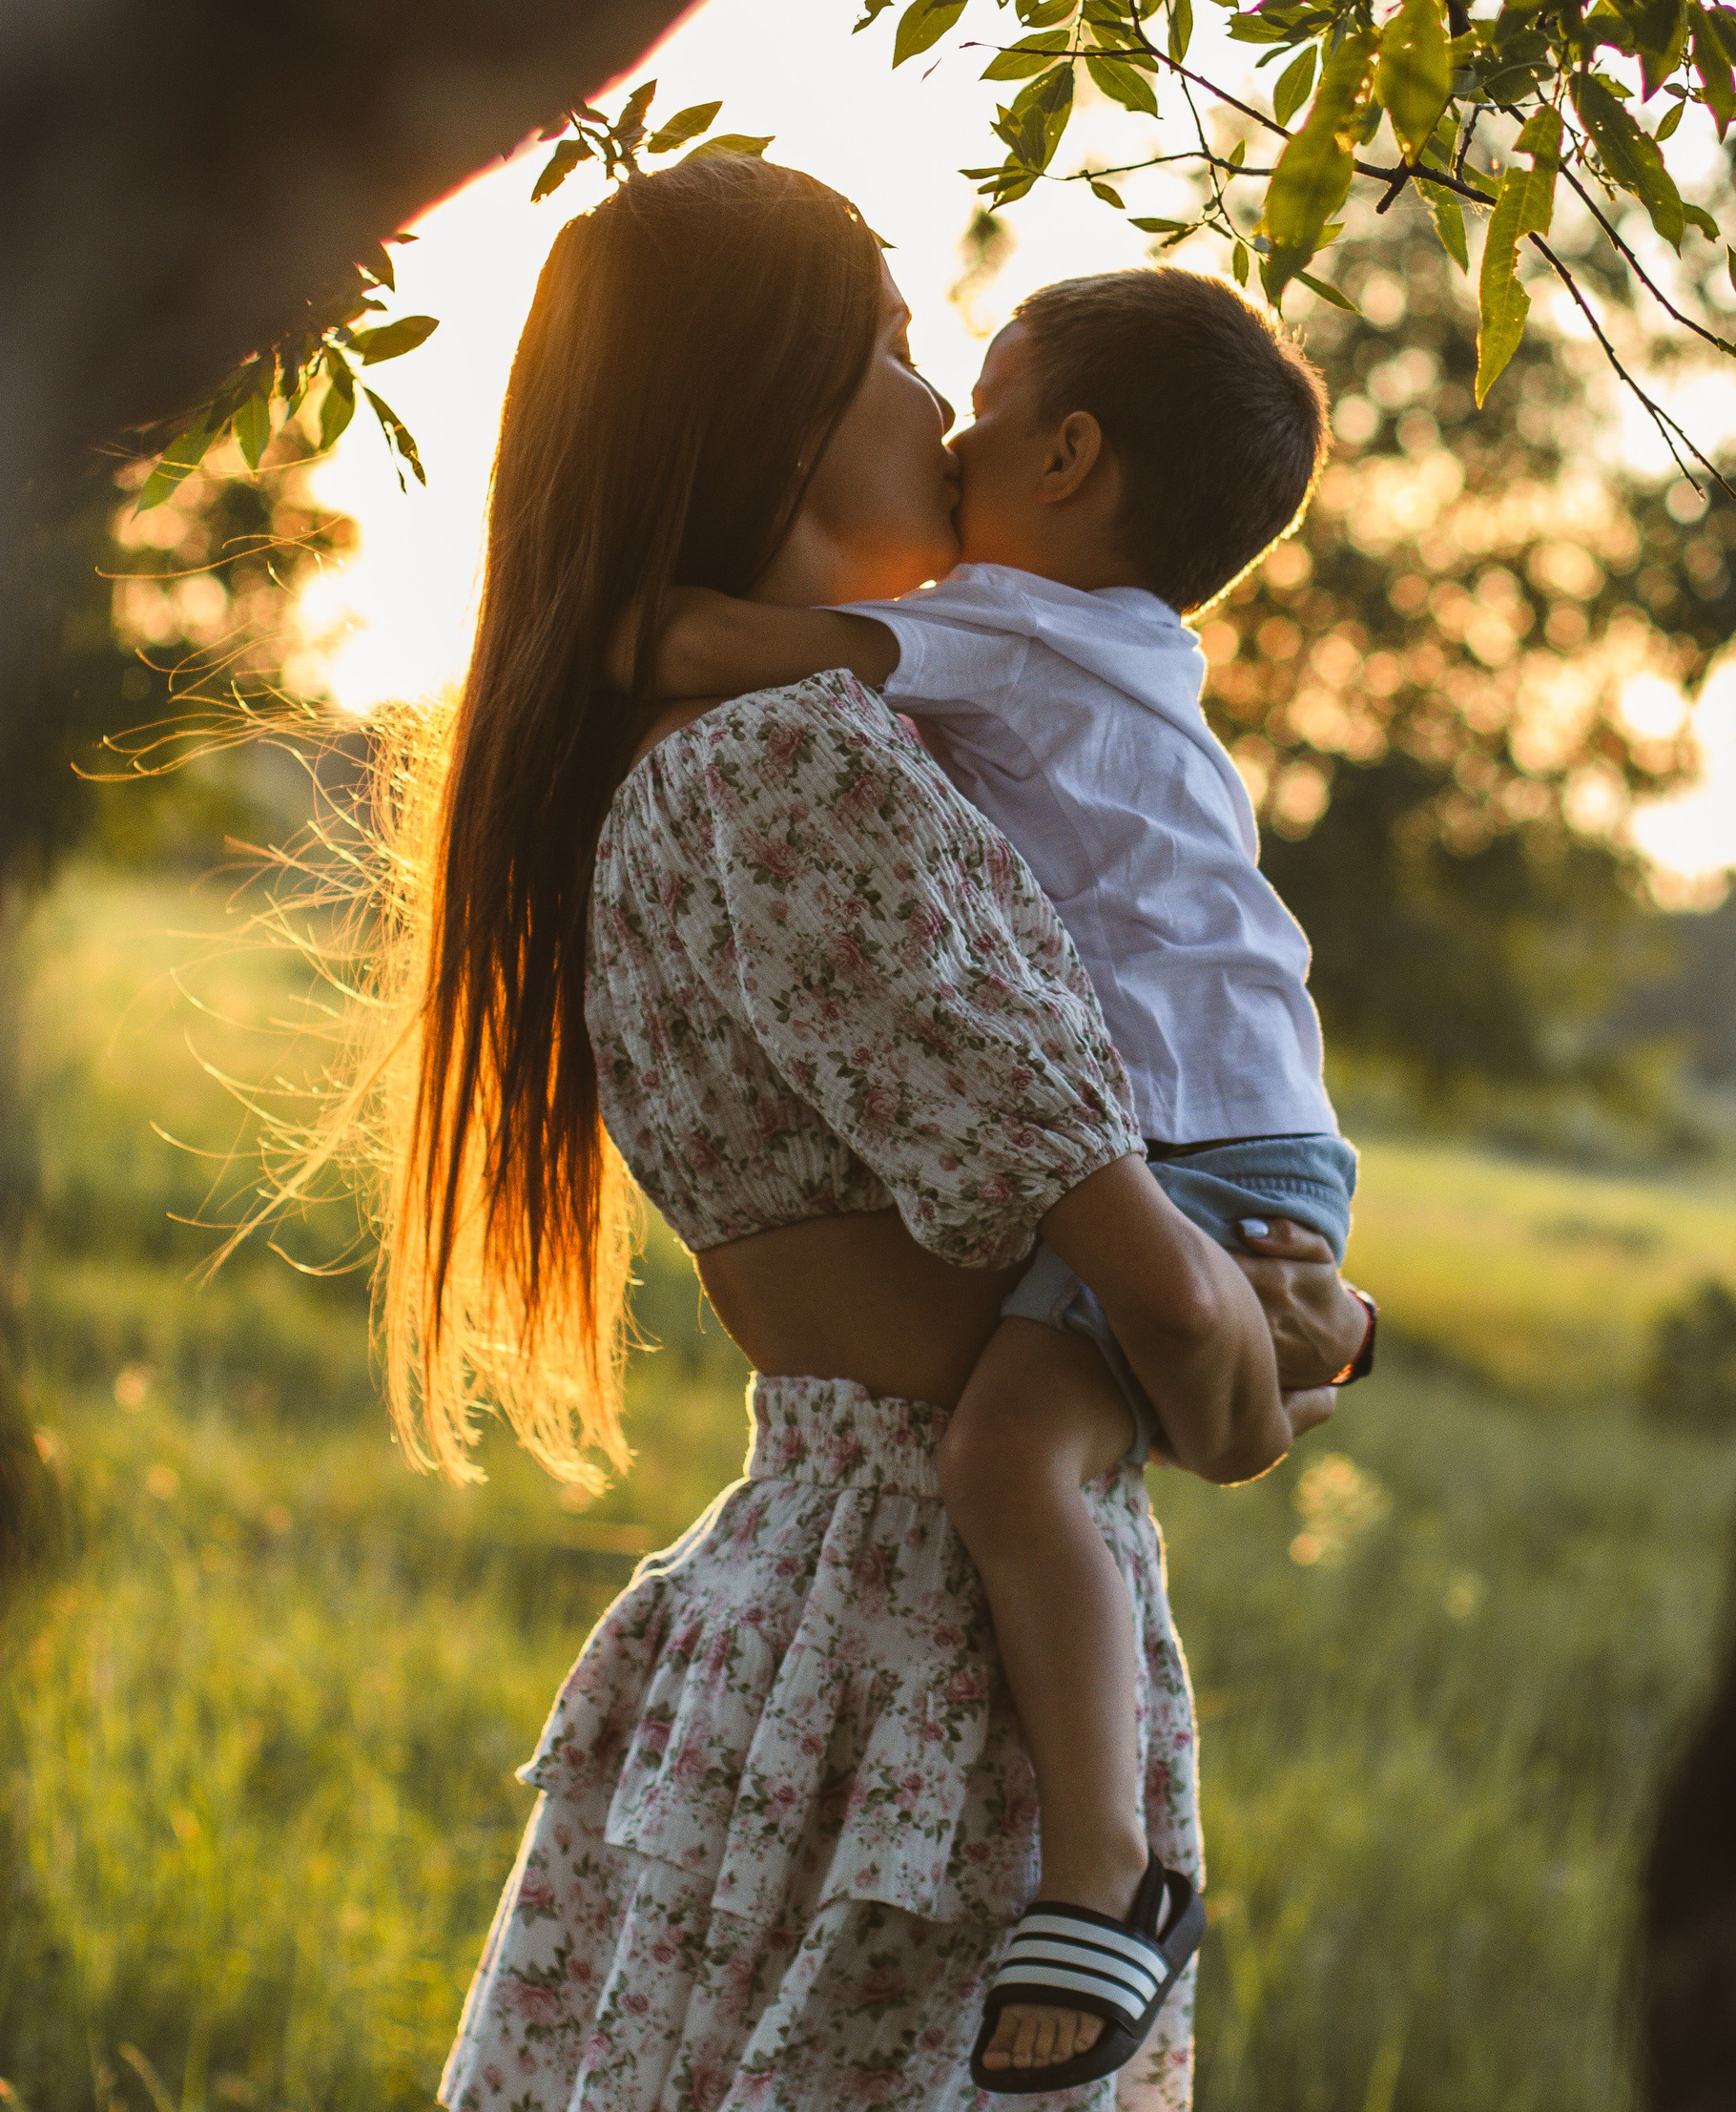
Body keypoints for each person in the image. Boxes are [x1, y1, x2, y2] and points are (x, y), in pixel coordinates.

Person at [368, 155, 1370, 2112]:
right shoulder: (804, 757)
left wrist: (1278, 1315)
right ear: (778, 406)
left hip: (816, 1585)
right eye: (900, 350)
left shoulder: (684, 755)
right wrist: (1286, 1354)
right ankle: (1108, 1878)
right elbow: (1176, 1314)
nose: (941, 405)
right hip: (924, 1627)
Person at [649, 265, 1373, 2088]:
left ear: (1065, 454)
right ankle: (1105, 1856)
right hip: (1252, 1135)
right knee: (1058, 1441)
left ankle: (1102, 1870)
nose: (947, 432)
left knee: (1006, 1456)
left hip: (1195, 1147)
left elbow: (722, 647)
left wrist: (602, 611)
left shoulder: (1011, 630)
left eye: (972, 400)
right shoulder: (1132, 651)